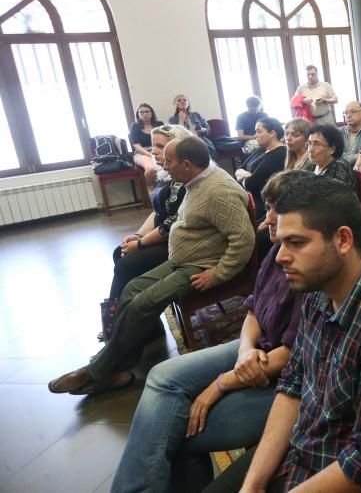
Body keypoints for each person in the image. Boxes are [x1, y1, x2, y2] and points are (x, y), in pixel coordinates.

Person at [203, 175, 361, 492]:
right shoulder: (319, 291)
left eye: (297, 243)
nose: (280, 257)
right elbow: (293, 384)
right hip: (309, 453)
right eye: (282, 242)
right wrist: (253, 483)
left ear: (343, 240)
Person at [110, 171, 308, 493]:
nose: (267, 217)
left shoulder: (307, 265)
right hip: (256, 350)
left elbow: (293, 357)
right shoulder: (276, 251)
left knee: (180, 431)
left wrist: (220, 383)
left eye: (276, 209)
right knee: (162, 377)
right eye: (267, 207)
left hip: (283, 374)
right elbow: (255, 307)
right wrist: (244, 350)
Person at [49, 137, 255, 396]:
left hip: (201, 266)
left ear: (187, 164)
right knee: (132, 288)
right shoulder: (196, 182)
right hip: (184, 259)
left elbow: (244, 241)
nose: (163, 165)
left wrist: (217, 275)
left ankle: (97, 371)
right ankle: (117, 368)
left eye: (168, 160)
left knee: (141, 304)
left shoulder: (220, 191)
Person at [103, 124, 192, 339]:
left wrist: (141, 244)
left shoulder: (185, 179)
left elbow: (172, 222)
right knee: (120, 251)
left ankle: (119, 326)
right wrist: (139, 235)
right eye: (153, 146)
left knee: (127, 263)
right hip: (164, 235)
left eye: (160, 146)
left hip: (180, 242)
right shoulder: (166, 174)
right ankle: (138, 322)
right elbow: (158, 213)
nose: (153, 151)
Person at [235, 117, 287, 219]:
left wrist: (244, 177)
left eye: (259, 131)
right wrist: (246, 176)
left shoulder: (280, 154)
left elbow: (252, 184)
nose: (255, 136)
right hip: (246, 196)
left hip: (261, 203)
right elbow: (239, 168)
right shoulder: (262, 149)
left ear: (272, 133)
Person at [307, 123, 355, 189]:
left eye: (317, 144)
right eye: (309, 143)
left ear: (332, 149)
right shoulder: (312, 165)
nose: (310, 150)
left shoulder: (340, 169)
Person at [169, 94, 217, 159]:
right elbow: (176, 136)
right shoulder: (172, 120)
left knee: (209, 157)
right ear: (176, 105)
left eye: (185, 100)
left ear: (188, 103)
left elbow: (208, 129)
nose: (182, 101)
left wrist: (202, 130)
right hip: (185, 146)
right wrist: (181, 120)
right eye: (179, 100)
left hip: (202, 142)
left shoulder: (196, 115)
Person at [129, 103, 164, 185]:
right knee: (151, 169)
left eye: (147, 111)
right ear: (138, 114)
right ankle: (151, 193)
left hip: (159, 151)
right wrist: (150, 154)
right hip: (142, 153)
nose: (144, 114)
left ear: (152, 113)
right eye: (141, 112)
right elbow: (137, 146)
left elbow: (166, 140)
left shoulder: (159, 125)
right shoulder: (135, 126)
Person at [341, 101, 361, 166]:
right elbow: (333, 156)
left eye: (352, 111)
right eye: (346, 112)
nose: (348, 115)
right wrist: (356, 157)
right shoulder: (338, 132)